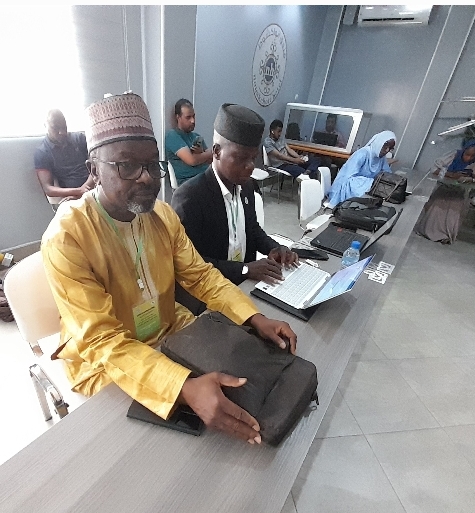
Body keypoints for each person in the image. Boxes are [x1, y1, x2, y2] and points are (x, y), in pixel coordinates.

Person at [41, 92, 297, 445]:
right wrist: (181, 386)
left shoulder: (162, 216)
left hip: (169, 329)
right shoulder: (67, 236)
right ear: (94, 170)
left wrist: (254, 318)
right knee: (157, 445)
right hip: (105, 360)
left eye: (152, 164)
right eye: (127, 165)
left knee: (245, 391)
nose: (147, 178)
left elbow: (202, 276)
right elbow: (102, 340)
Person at [172, 104, 299, 287]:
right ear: (217, 151)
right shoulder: (190, 197)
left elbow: (252, 230)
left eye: (253, 158)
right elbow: (190, 264)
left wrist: (274, 247)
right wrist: (245, 269)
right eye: (241, 158)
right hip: (211, 290)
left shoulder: (246, 186)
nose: (250, 166)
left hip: (244, 284)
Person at [415, 140, 475, 244]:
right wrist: (451, 175)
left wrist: (470, 178)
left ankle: (446, 235)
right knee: (437, 207)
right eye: (467, 154)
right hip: (444, 188)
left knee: (454, 212)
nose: (468, 158)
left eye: (472, 156)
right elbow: (434, 170)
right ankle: (428, 232)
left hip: (460, 192)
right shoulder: (453, 155)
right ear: (464, 150)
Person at [324, 130, 396, 208]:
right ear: (379, 142)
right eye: (385, 146)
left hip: (364, 189)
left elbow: (387, 174)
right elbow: (347, 179)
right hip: (345, 188)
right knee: (373, 185)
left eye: (390, 149)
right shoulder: (362, 154)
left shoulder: (381, 158)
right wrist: (370, 183)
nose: (387, 151)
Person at [34, 109, 94, 202]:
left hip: (94, 186)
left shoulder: (80, 138)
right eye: (56, 128)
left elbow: (97, 165)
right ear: (45, 125)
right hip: (72, 196)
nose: (62, 132)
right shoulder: (42, 152)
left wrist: (84, 190)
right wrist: (78, 192)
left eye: (64, 127)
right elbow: (48, 189)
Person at [165, 98, 212, 186]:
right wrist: (208, 153)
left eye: (193, 116)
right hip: (189, 183)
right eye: (188, 117)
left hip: (206, 178)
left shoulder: (196, 136)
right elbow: (192, 160)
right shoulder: (172, 135)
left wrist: (201, 153)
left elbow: (212, 160)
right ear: (178, 117)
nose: (193, 121)